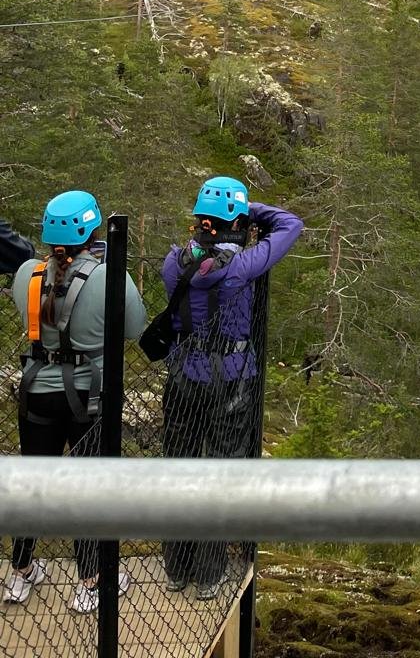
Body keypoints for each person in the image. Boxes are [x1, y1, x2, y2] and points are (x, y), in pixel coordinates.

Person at [160, 177, 302, 598]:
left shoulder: (174, 261)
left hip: (184, 375)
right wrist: (249, 209)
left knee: (179, 466)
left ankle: (176, 567)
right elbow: (290, 224)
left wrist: (223, 212)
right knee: (219, 470)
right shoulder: (241, 266)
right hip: (232, 379)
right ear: (234, 222)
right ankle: (209, 573)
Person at [5, 191, 147, 613]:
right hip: (89, 397)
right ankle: (91, 578)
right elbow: (135, 327)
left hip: (35, 393)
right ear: (92, 230)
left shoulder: (25, 274)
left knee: (35, 483)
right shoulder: (109, 276)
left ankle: (20, 572)